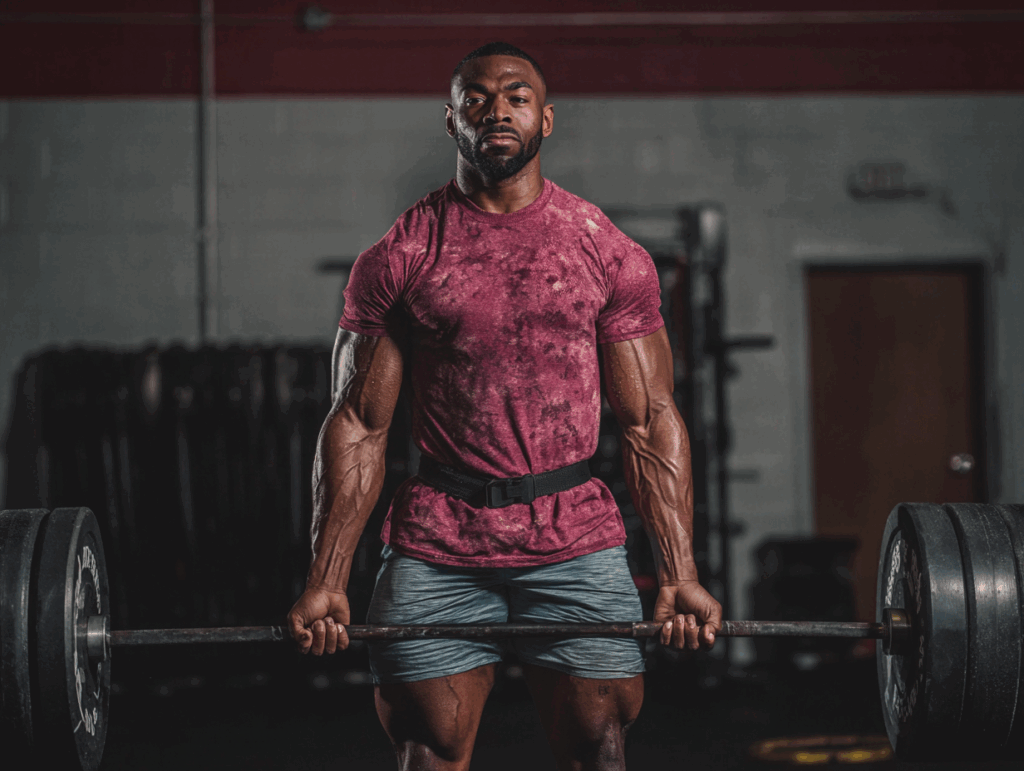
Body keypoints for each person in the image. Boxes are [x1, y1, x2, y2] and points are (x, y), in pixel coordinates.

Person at [287, 41, 722, 771]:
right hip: (439, 542)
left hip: (574, 535)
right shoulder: (402, 256)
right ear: (451, 120)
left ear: (545, 120)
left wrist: (678, 570)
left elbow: (649, 420)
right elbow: (360, 424)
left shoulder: (605, 251)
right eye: (477, 98)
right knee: (429, 746)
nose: (497, 110)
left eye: (516, 97)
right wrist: (327, 579)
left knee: (599, 747)